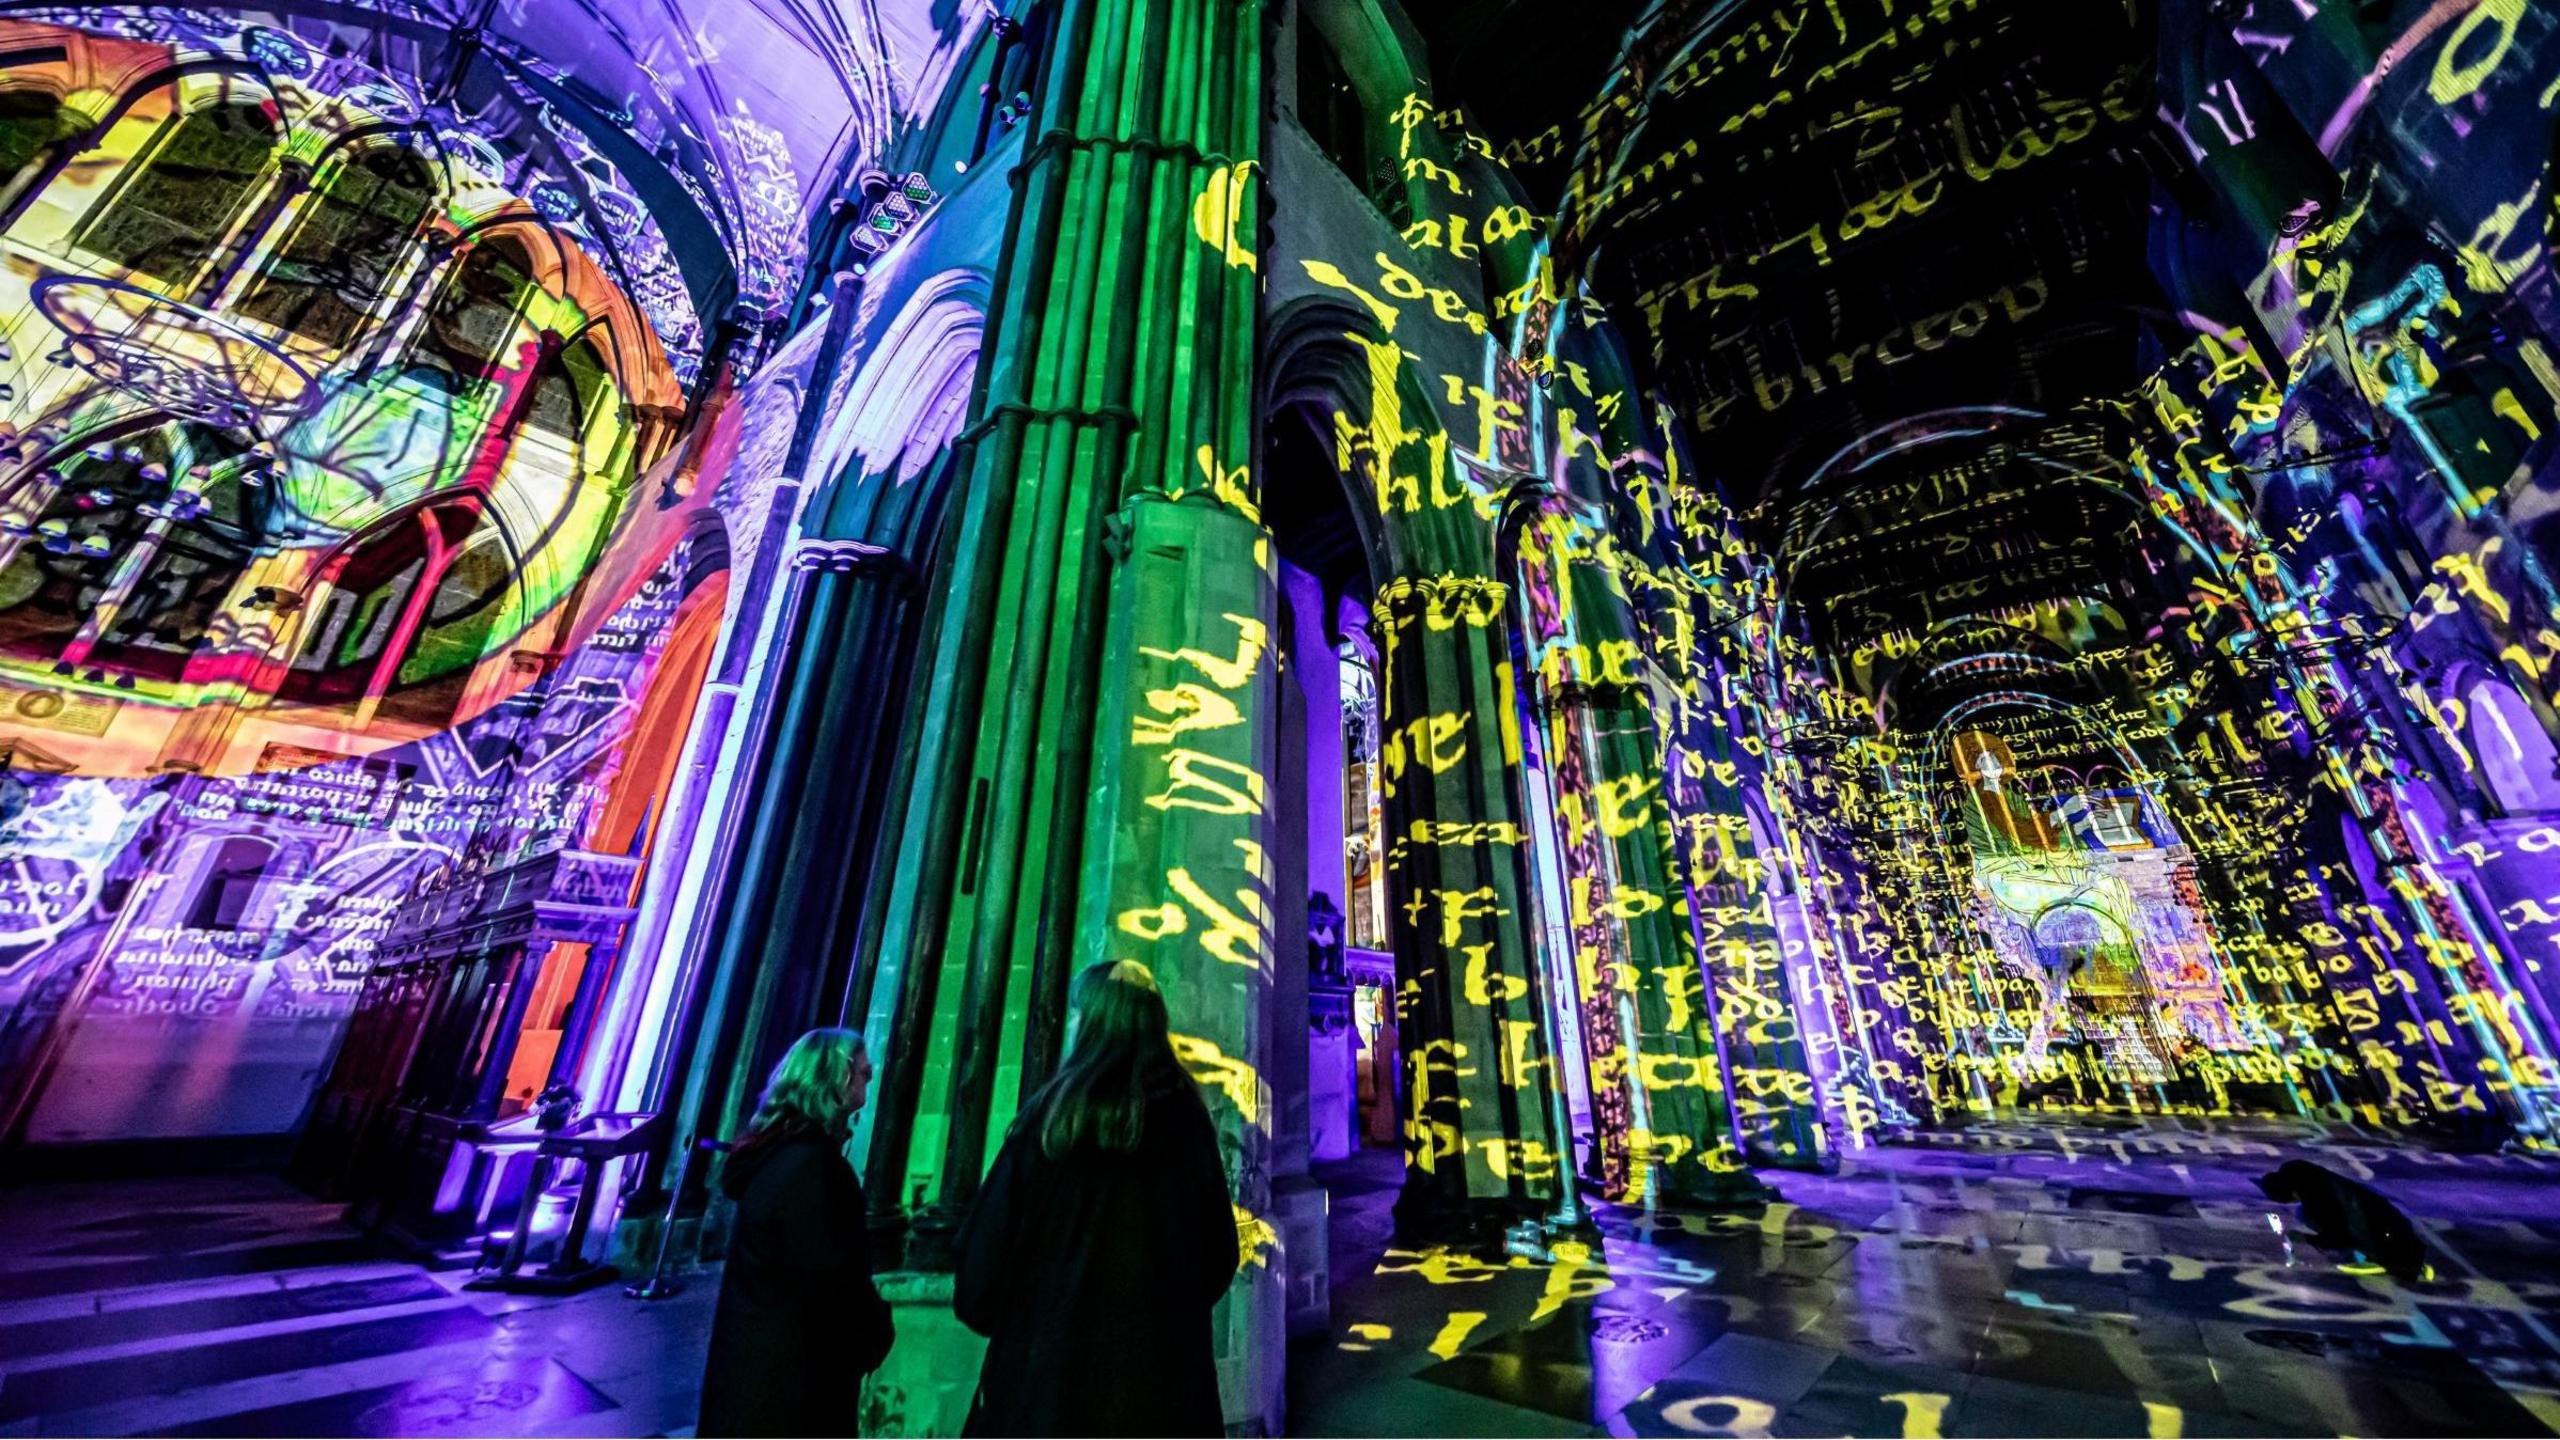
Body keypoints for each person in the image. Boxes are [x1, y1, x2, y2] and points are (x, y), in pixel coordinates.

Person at [956, 960, 1240, 1437]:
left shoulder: (1046, 1124)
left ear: (1091, 1022)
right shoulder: (1187, 1120)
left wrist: (1036, 1328)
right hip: (1162, 1395)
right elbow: (1219, 1256)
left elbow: (979, 1276)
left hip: (1047, 1394)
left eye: (1075, 1013)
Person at [697, 1027, 894, 1437]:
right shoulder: (812, 1171)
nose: (870, 1073)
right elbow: (830, 1285)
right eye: (860, 1067)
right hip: (790, 1390)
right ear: (835, 1078)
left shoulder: (780, 1158)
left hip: (756, 1377)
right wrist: (875, 1328)